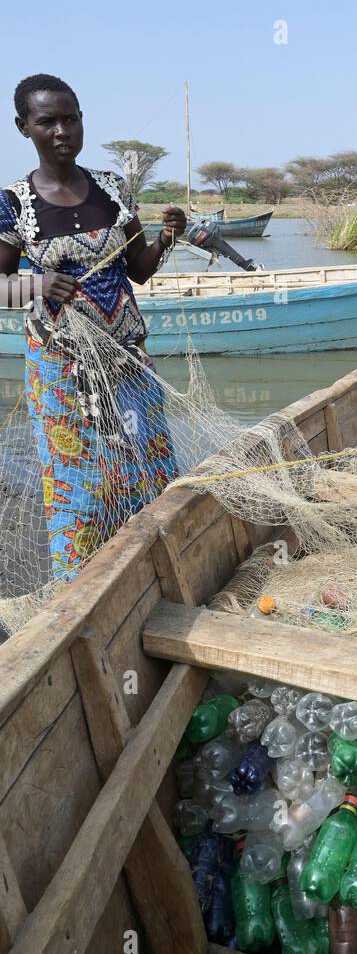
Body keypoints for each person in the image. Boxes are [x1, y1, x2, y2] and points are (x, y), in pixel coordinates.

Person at [0, 74, 186, 582]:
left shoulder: (111, 187)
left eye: (71, 118)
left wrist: (170, 236)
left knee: (145, 463)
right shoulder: (14, 203)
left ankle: (151, 571)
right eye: (47, 121)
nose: (62, 130)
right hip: (61, 367)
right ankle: (82, 587)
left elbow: (139, 269)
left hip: (127, 358)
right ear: (24, 128)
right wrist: (34, 288)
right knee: (79, 481)